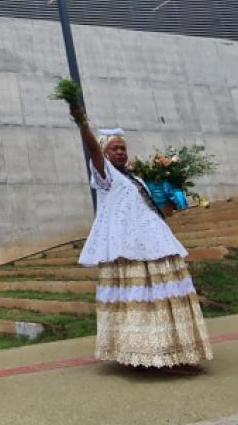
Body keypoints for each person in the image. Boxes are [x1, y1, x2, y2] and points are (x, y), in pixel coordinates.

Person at [66, 105, 213, 372]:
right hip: (130, 248)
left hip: (155, 242)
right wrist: (82, 124)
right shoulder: (105, 176)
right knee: (144, 299)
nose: (120, 152)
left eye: (123, 148)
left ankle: (175, 350)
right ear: (105, 154)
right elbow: (93, 150)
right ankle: (148, 354)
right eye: (115, 149)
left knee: (168, 296)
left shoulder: (135, 179)